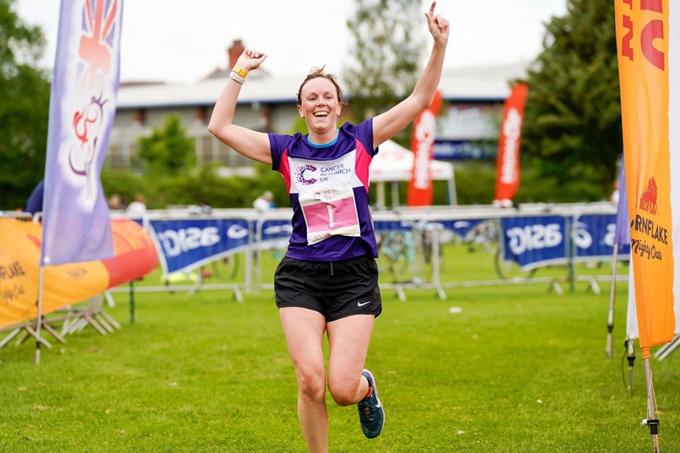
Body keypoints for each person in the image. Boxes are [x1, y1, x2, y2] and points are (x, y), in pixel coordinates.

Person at [208, 3, 448, 451]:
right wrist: (239, 71)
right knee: (309, 381)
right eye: (311, 97)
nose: (320, 102)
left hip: (353, 274)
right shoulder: (285, 150)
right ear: (301, 109)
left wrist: (438, 44)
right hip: (301, 274)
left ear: (339, 106)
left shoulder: (363, 140)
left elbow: (419, 100)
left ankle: (365, 388)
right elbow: (218, 125)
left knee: (340, 388)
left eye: (327, 96)